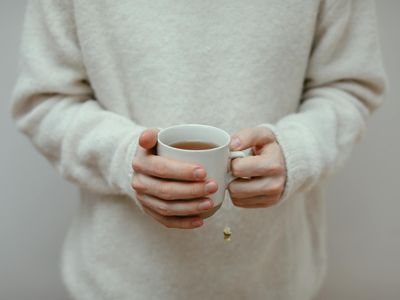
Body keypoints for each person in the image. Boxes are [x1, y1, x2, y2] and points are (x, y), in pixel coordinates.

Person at [11, 0, 387, 299]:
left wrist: (299, 151)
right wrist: (122, 157)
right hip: (118, 283)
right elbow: (46, 100)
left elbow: (349, 85)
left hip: (275, 281)